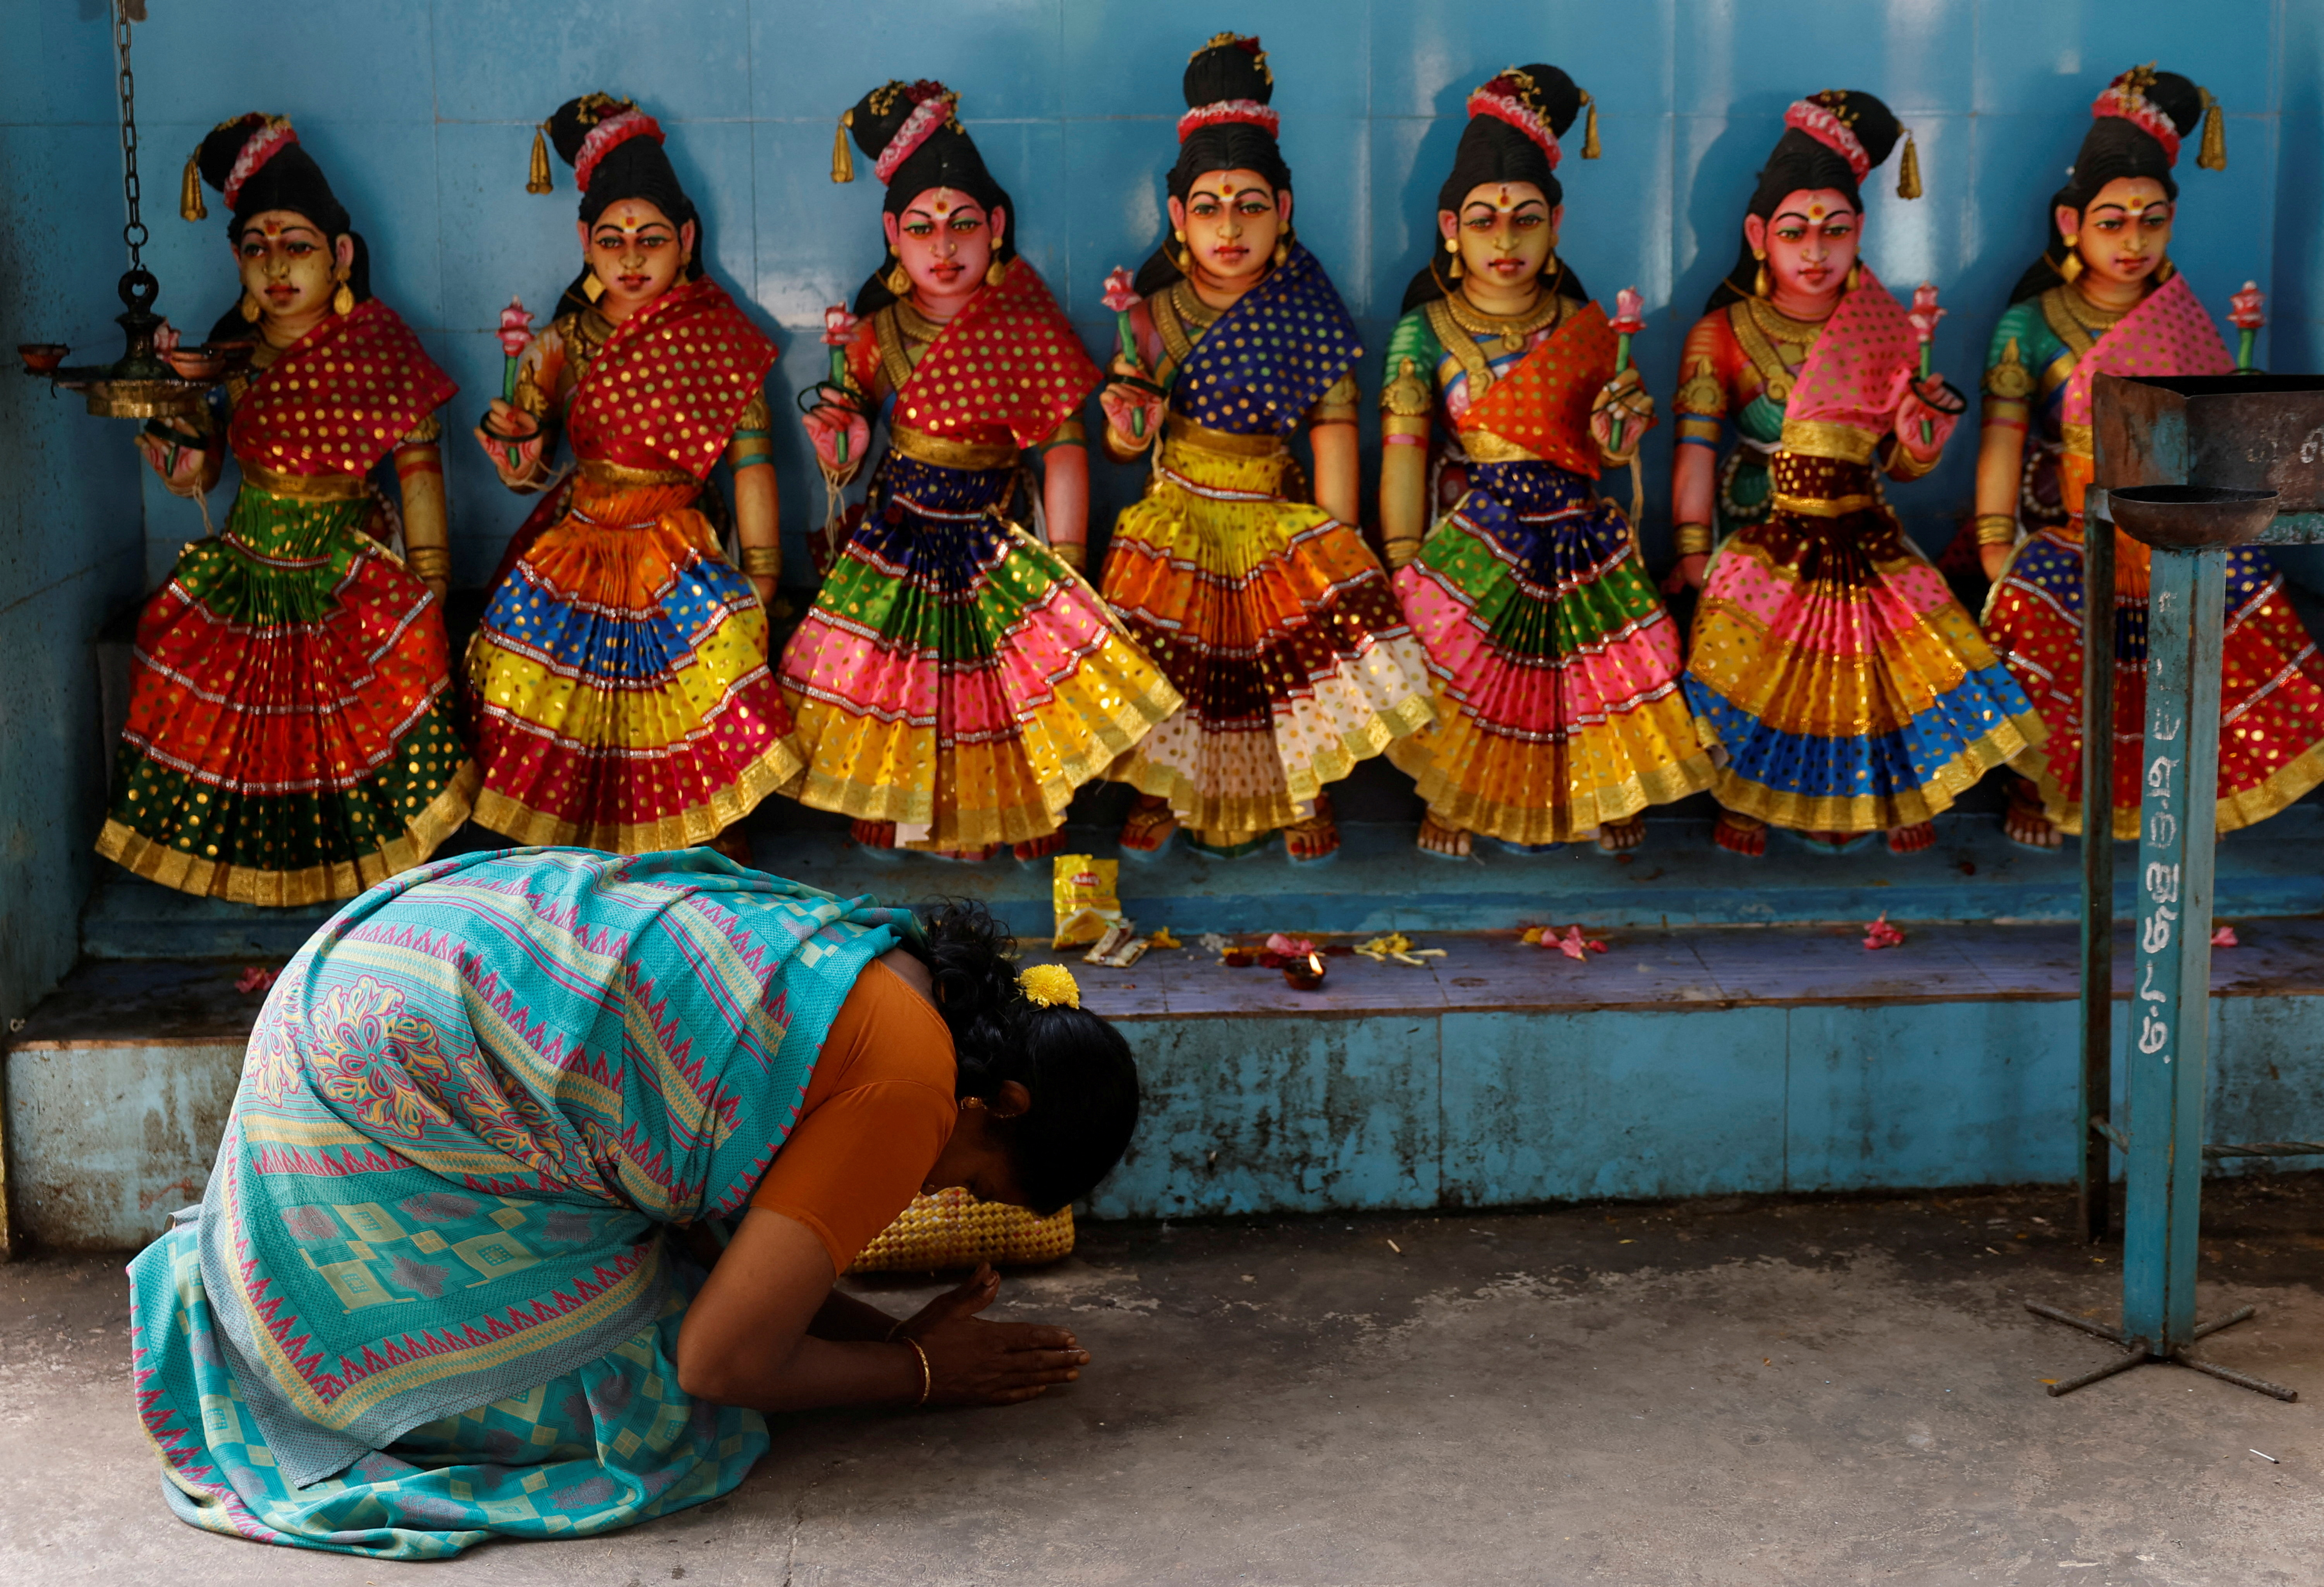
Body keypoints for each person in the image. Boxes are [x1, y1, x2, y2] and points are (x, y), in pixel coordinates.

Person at [126, 848, 1138, 1558]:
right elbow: (724, 1357)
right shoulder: (917, 1088)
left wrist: (882, 1331)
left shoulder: (879, 961)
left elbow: (738, 1255)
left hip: (356, 989)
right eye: (970, 1176)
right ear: (1001, 1105)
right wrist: (916, 1374)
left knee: (680, 1279)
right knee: (653, 1413)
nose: (931, 1190)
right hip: (387, 1089)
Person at [782, 79, 1181, 863]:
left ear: (996, 227)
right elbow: (844, 451)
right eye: (924, 229)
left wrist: (1067, 563)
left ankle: (1008, 808)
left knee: (992, 691)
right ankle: (894, 806)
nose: (945, 247)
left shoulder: (1028, 328)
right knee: (893, 684)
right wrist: (841, 442)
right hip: (898, 533)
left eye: (964, 224)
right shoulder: (877, 333)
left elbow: (1063, 448)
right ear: (894, 235)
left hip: (992, 537)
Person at [100, 113, 474, 905]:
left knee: (388, 676)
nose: (276, 266)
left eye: (297, 245)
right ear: (235, 259)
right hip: (248, 561)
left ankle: (375, 870)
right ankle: (242, 872)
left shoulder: (381, 353)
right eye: (256, 247)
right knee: (178, 652)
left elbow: (418, 477)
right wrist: (161, 414)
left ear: (340, 256)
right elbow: (194, 475)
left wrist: (432, 586)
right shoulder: (230, 356)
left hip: (344, 566)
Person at [1668, 89, 2040, 857]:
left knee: (1904, 645)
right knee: (1756, 657)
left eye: (1836, 232)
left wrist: (1922, 442)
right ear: (1758, 236)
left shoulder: (1883, 328)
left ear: (1861, 233)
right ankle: (1749, 795)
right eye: (1796, 232)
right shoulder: (1723, 334)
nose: (1816, 252)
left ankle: (1893, 791)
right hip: (1760, 525)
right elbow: (1695, 453)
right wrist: (1692, 554)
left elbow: (1899, 468)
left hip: (1864, 524)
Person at [1097, 32, 1435, 863]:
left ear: (1284, 210)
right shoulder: (1149, 316)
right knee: (1170, 656)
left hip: (1272, 505)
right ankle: (1161, 791)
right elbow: (1118, 445)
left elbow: (1331, 439)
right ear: (1177, 218)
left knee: (1294, 653)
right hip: (1178, 504)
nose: (1230, 227)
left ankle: (1300, 788)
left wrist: (1335, 541)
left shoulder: (1310, 313)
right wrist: (1130, 423)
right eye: (1208, 207)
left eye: (1250, 203)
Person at [1976, 66, 2324, 846]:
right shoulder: (2030, 325)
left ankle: (2195, 789)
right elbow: (2000, 440)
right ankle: (2042, 788)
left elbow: (2211, 450)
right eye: (2112, 221)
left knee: (2242, 610)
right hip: (2067, 530)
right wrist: (1997, 539)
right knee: (2037, 622)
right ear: (2071, 224)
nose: (2134, 241)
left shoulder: (2184, 320)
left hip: (2168, 532)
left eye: (2153, 220)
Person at [1377, 65, 1712, 859]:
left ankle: (1603, 789)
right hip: (1476, 529)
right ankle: (1457, 796)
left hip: (1579, 531)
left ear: (1555, 225)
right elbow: (1403, 454)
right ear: (1450, 227)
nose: (1506, 239)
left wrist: (1622, 435)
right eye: (1485, 220)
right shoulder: (1423, 331)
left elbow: (1605, 453)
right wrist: (1398, 560)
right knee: (1463, 659)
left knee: (1604, 668)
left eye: (1526, 220)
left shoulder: (1583, 325)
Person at [468, 94, 798, 857]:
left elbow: (753, 464)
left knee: (712, 650)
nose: (631, 257)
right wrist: (513, 449)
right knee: (523, 655)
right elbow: (530, 471)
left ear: (685, 240)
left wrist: (765, 576)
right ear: (585, 242)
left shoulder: (722, 339)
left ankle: (706, 828)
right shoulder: (556, 344)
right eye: (612, 239)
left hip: (680, 538)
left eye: (651, 238)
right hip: (579, 538)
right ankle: (561, 833)